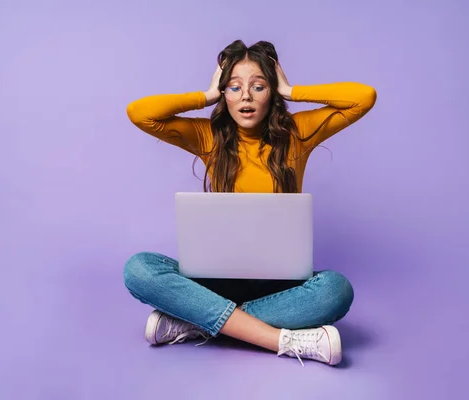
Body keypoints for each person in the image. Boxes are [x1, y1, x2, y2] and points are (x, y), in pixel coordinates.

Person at [123, 40, 377, 366]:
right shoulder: (210, 137)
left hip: (279, 287)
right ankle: (282, 340)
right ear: (223, 93)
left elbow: (363, 98)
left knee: (335, 291)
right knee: (139, 268)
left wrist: (290, 89)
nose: (246, 96)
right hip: (215, 282)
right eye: (233, 87)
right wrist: (207, 95)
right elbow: (139, 113)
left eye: (259, 86)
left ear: (271, 93)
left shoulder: (296, 133)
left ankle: (195, 322)